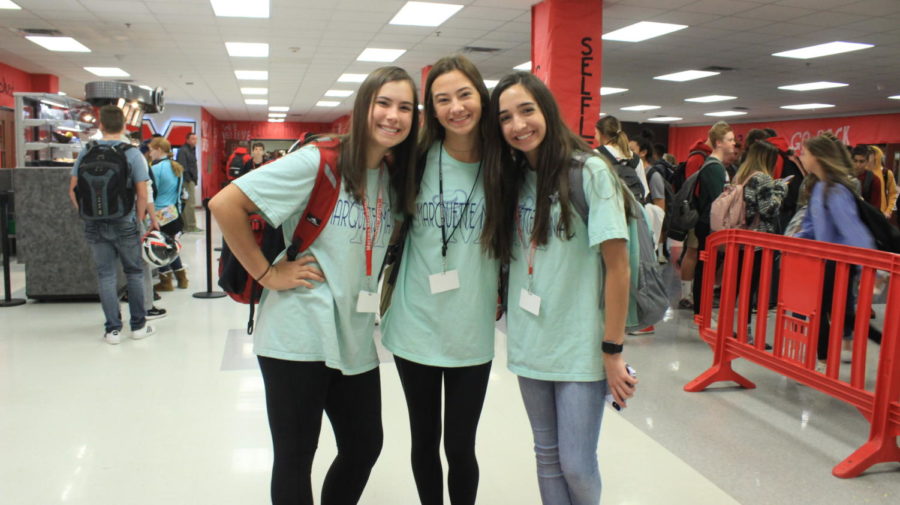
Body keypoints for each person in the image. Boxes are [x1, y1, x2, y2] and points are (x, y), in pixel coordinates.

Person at [209, 66, 419, 505]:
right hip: (296, 334)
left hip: (355, 334)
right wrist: (268, 274)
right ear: (363, 108)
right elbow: (225, 203)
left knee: (364, 445)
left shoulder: (396, 176)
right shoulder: (320, 161)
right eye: (383, 103)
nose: (393, 116)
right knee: (296, 455)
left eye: (404, 107)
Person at [481, 71, 636, 505]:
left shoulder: (589, 172)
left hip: (581, 345)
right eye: (506, 117)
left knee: (576, 463)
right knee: (546, 456)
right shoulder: (512, 177)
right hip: (530, 341)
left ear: (547, 110)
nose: (518, 125)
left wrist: (613, 349)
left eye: (527, 110)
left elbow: (618, 267)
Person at [380, 55, 496, 505]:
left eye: (464, 95)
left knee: (461, 446)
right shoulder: (416, 160)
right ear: (430, 107)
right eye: (442, 99)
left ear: (481, 99)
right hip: (415, 324)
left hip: (472, 330)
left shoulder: (503, 166)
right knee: (423, 440)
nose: (456, 107)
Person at [67, 105, 156, 344]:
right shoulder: (132, 153)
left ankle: (113, 330)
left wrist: (88, 215)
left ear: (101, 125)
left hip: (94, 223)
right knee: (134, 272)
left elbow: (73, 190)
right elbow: (142, 193)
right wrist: (137, 219)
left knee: (106, 275)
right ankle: (138, 326)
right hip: (124, 220)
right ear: (125, 126)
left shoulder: (86, 151)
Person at [795, 135, 875, 367]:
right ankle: (823, 356)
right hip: (822, 261)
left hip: (837, 263)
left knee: (821, 308)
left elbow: (854, 233)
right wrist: (792, 245)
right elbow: (809, 226)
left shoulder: (836, 191)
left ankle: (824, 356)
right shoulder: (818, 188)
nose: (802, 157)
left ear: (818, 158)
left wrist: (866, 270)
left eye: (806, 153)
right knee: (816, 308)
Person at [692, 121, 734, 316]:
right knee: (705, 267)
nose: (734, 143)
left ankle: (702, 309)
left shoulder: (715, 166)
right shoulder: (714, 168)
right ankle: (701, 310)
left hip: (709, 224)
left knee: (706, 267)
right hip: (709, 226)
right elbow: (718, 201)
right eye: (730, 140)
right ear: (718, 143)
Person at [147, 137, 188, 290]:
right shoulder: (176, 167)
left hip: (158, 212)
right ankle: (181, 278)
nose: (150, 154)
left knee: (159, 249)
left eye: (151, 150)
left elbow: (151, 192)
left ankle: (166, 281)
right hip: (173, 212)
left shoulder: (155, 169)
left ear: (158, 149)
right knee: (170, 247)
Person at [594, 115, 648, 201]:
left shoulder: (595, 155)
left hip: (605, 209)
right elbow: (644, 192)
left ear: (602, 134)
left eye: (596, 133)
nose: (595, 137)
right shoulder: (636, 159)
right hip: (630, 211)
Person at [175, 132, 201, 232]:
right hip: (187, 181)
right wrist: (189, 180)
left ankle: (189, 225)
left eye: (196, 139)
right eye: (193, 139)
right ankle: (190, 226)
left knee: (189, 203)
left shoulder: (191, 150)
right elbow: (183, 167)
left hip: (191, 180)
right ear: (187, 140)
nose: (195, 141)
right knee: (190, 204)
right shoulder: (183, 151)